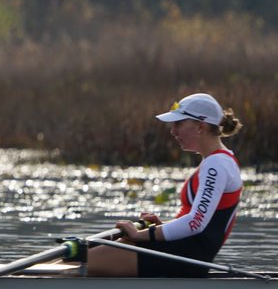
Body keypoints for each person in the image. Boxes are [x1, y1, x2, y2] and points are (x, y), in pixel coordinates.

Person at [83, 92, 244, 278]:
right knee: (81, 254)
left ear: (200, 126)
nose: (173, 131)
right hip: (180, 251)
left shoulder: (217, 164)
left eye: (178, 124)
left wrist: (139, 235)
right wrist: (162, 228)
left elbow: (195, 222)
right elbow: (200, 221)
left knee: (78, 262)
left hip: (185, 258)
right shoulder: (218, 161)